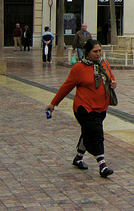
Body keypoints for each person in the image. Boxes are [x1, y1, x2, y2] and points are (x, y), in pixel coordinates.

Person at [46, 39, 117, 178]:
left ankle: (78, 158)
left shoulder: (104, 63)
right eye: (95, 52)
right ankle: (102, 165)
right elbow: (66, 87)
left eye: (100, 51)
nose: (98, 54)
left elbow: (110, 77)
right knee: (96, 134)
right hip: (84, 108)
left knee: (88, 132)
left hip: (101, 107)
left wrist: (113, 83)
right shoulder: (79, 68)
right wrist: (53, 103)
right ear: (88, 53)